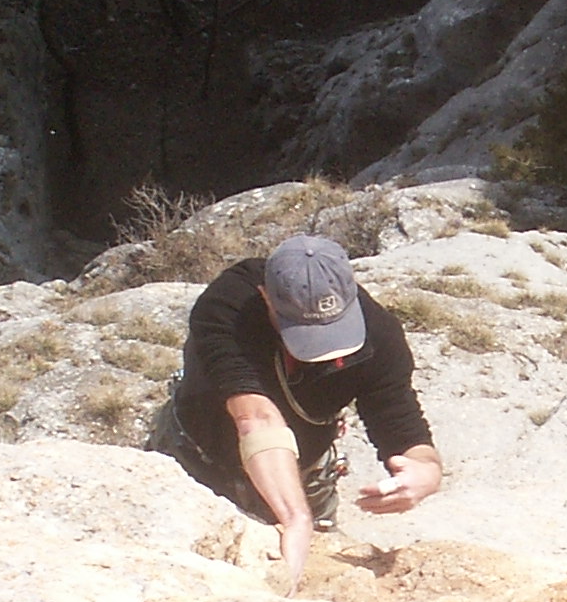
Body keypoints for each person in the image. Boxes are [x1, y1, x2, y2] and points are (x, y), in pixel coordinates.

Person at [155, 232, 442, 581]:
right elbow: (255, 417)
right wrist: (296, 519)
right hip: (198, 461)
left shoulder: (378, 333)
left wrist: (426, 473)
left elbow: (401, 424)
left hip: (304, 475)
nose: (324, 352)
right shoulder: (227, 307)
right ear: (266, 296)